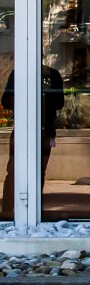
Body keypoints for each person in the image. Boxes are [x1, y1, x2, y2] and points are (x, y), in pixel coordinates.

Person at [1, 64, 65, 220]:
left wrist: (41, 96)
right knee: (15, 170)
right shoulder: (21, 72)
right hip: (25, 130)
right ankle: (9, 211)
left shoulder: (52, 74)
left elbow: (59, 103)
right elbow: (7, 101)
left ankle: (32, 210)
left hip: (44, 130)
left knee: (37, 171)